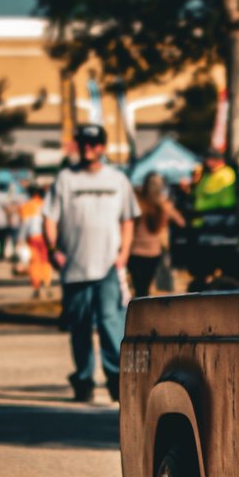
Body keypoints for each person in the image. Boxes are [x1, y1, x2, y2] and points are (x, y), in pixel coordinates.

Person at [47, 123, 138, 402]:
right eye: (84, 143)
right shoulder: (65, 179)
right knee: (80, 326)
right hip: (75, 267)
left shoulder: (117, 180)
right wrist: (53, 249)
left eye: (94, 143)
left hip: (108, 266)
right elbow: (50, 217)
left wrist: (124, 252)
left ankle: (115, 378)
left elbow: (128, 219)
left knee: (111, 323)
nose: (88, 148)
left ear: (102, 147)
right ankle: (84, 378)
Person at [129, 174, 182, 297]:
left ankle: (138, 312)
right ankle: (142, 312)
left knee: (139, 288)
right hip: (152, 252)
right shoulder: (163, 203)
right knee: (144, 288)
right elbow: (181, 222)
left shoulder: (137, 200)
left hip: (135, 250)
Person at [192, 151, 238, 216]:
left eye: (208, 159)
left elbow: (223, 197)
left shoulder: (226, 173)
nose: (206, 162)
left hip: (220, 212)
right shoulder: (208, 174)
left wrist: (200, 205)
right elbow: (198, 192)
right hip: (206, 211)